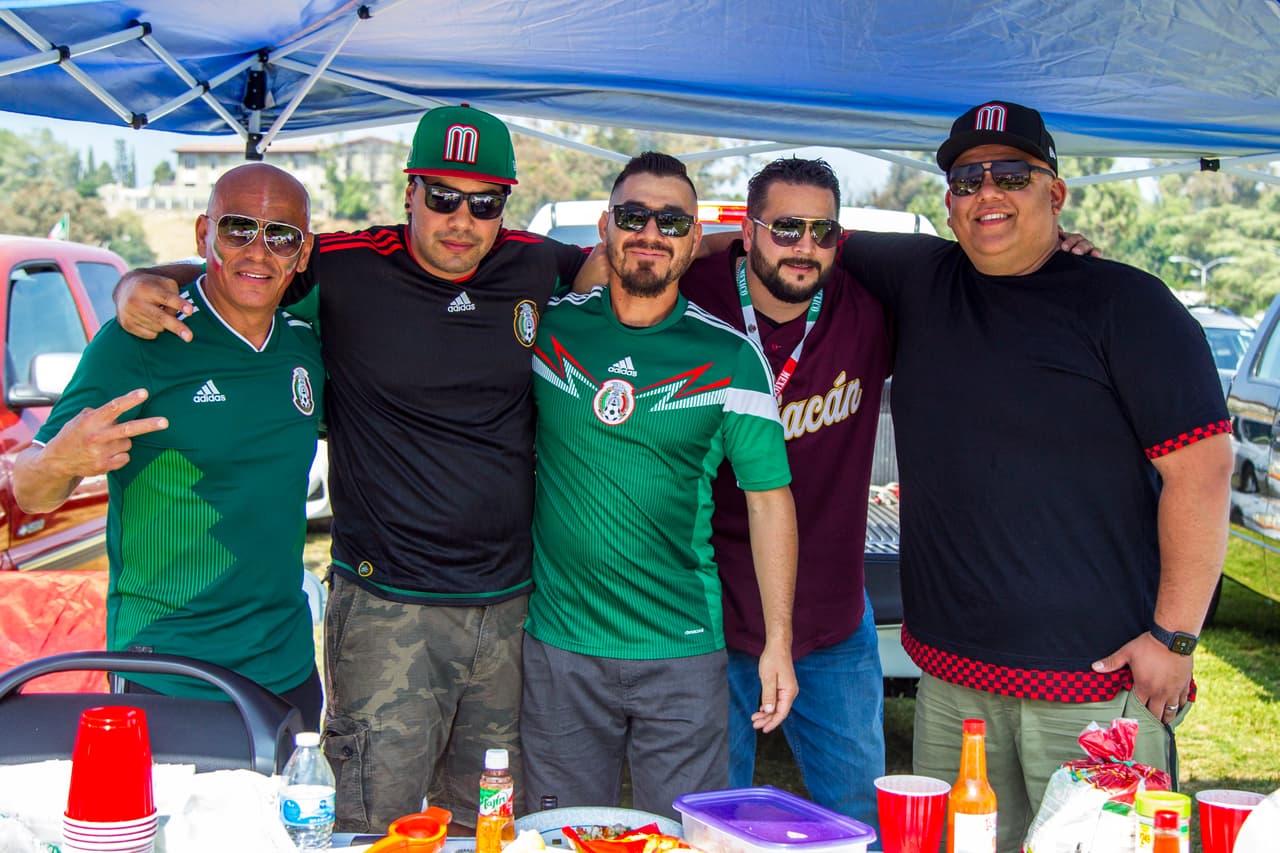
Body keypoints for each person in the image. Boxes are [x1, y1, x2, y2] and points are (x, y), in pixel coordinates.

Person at [112, 104, 588, 833]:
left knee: (487, 819)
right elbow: (247, 262)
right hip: (388, 608)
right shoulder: (347, 266)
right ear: (409, 193)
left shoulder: (532, 263)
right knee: (371, 820)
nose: (461, 219)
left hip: (508, 609)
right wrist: (140, 280)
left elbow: (637, 255)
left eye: (483, 202)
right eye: (442, 196)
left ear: (504, 208)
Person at [836, 100, 1233, 852]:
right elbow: (796, 238)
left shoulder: (1128, 304)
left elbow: (1205, 469)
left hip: (1094, 685)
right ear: (948, 203)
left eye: (1012, 174)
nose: (988, 192)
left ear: (1056, 192)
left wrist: (1174, 638)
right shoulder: (920, 277)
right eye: (967, 179)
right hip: (951, 686)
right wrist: (679, 241)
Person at [520, 152, 799, 818]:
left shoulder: (730, 356)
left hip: (681, 652)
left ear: (694, 239)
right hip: (560, 648)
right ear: (605, 227)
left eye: (671, 220)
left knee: (680, 836)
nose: (650, 232)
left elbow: (769, 501)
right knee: (557, 834)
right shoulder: (548, 330)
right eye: (633, 215)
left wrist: (778, 643)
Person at [14, 163, 326, 727]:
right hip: (166, 667)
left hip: (286, 667)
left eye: (281, 237)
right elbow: (29, 490)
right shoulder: (140, 340)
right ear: (203, 233)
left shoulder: (307, 343)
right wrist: (61, 459)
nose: (259, 252)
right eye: (237, 229)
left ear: (302, 254)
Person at [677, 157, 889, 828]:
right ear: (747, 230)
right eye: (786, 227)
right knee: (714, 822)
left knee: (860, 817)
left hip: (831, 619)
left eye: (822, 231)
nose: (805, 245)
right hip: (712, 617)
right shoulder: (690, 296)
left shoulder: (869, 314)